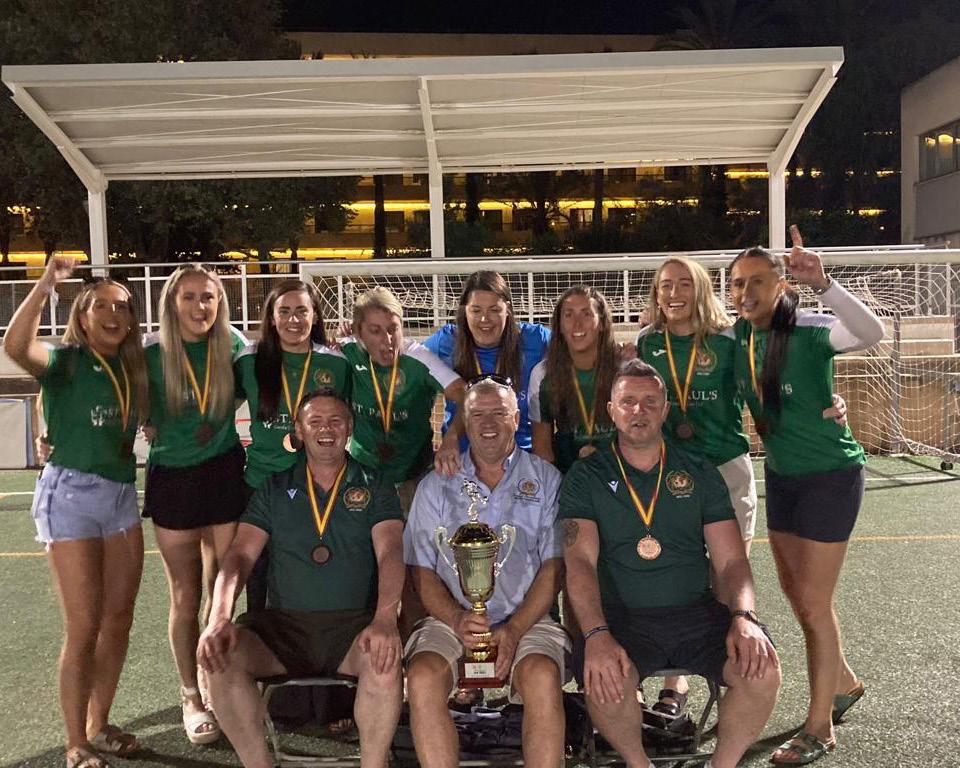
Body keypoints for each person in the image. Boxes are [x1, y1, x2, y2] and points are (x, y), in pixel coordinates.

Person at [560, 360, 781, 768]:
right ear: (611, 411)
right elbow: (580, 564)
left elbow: (731, 561)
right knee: (604, 679)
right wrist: (596, 634)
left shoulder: (698, 470)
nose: (638, 410)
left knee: (762, 668)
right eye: (628, 401)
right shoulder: (586, 475)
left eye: (650, 402)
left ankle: (722, 764)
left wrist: (744, 617)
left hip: (697, 616)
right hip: (622, 619)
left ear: (665, 410)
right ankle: (638, 763)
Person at [730, 227, 884, 765]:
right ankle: (843, 681)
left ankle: (820, 727)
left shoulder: (813, 327)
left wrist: (824, 283)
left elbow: (871, 332)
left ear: (781, 283)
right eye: (737, 283)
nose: (746, 291)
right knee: (797, 594)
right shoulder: (736, 336)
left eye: (757, 281)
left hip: (829, 476)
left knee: (815, 604)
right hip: (783, 477)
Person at [197, 389, 404, 768]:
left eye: (336, 421)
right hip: (282, 631)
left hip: (352, 629)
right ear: (299, 430)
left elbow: (390, 551)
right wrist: (219, 617)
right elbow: (240, 556)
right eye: (315, 421)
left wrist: (386, 619)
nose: (326, 429)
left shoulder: (375, 485)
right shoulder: (274, 488)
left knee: (384, 658)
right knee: (222, 655)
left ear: (350, 428)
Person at [4, 258, 149, 768]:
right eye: (101, 306)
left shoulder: (136, 366)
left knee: (119, 619)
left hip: (121, 493)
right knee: (84, 626)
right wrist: (45, 284)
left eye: (122, 307)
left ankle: (98, 724)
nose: (113, 314)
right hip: (70, 495)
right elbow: (16, 348)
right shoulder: (65, 361)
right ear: (81, 317)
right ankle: (75, 742)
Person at [404, 377, 569, 768]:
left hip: (527, 618)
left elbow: (553, 567)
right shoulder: (436, 484)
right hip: (450, 619)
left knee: (542, 676)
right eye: (478, 414)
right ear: (465, 420)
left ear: (517, 419)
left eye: (499, 413)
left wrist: (514, 629)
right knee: (423, 677)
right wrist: (455, 618)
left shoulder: (547, 480)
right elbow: (422, 571)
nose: (488, 423)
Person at [142, 264, 247, 745]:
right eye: (188, 297)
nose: (199, 306)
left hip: (223, 471)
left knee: (222, 589)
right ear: (171, 302)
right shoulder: (150, 354)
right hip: (173, 478)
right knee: (185, 596)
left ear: (219, 302)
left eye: (208, 297)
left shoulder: (235, 346)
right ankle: (190, 695)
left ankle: (213, 678)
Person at [339, 287, 465, 512]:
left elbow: (467, 396)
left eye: (393, 329)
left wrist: (452, 437)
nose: (387, 340)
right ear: (359, 332)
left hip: (414, 474)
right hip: (362, 473)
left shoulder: (418, 358)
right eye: (375, 331)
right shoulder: (346, 353)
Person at [424, 271, 550, 452]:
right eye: (476, 310)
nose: (485, 319)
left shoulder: (535, 340)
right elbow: (404, 359)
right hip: (462, 459)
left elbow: (577, 350)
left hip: (521, 457)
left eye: (494, 310)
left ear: (508, 309)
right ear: (464, 311)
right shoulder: (446, 342)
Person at [530, 285, 618, 473]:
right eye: (568, 315)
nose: (577, 324)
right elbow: (542, 449)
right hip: (568, 474)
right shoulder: (542, 374)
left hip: (621, 474)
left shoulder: (624, 369)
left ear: (602, 323)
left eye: (586, 314)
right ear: (559, 326)